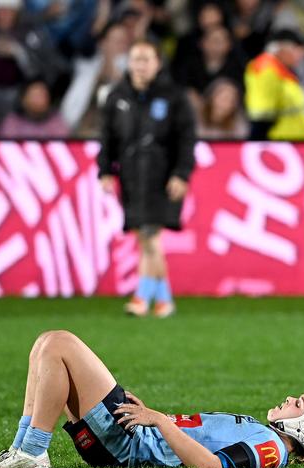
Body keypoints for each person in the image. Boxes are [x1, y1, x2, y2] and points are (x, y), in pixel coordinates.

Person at [0, 330, 304, 468]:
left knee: (60, 343)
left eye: (301, 403)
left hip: (129, 446)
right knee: (46, 345)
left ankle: (32, 452)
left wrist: (159, 420)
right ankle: (22, 449)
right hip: (134, 435)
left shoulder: (271, 447)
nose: (292, 398)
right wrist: (157, 416)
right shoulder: (267, 436)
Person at [98, 40, 196, 318]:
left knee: (151, 235)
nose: (140, 66)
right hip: (130, 177)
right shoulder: (116, 97)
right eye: (136, 59)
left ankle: (141, 298)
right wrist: (105, 170)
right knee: (144, 237)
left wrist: (181, 173)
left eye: (146, 60)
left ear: (158, 64)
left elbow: (186, 140)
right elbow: (107, 138)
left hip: (161, 176)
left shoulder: (174, 97)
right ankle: (164, 300)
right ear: (128, 63)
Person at [245, 28, 304, 141]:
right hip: (277, 143)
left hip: (293, 141)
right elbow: (262, 115)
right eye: (298, 50)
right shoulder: (265, 69)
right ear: (282, 48)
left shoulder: (281, 70)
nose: (302, 56)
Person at [0, 78, 70, 138]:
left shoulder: (55, 120)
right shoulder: (13, 120)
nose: (40, 100)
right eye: (35, 95)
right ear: (23, 99)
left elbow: (63, 143)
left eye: (43, 95)